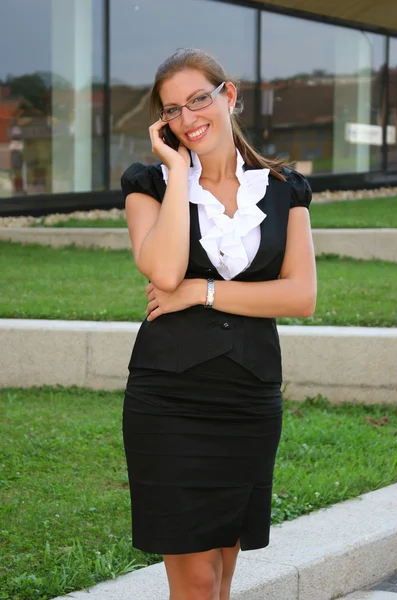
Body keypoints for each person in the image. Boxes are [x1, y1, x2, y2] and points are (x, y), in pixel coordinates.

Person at [121, 48, 317, 600]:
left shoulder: (284, 189)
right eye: (172, 110)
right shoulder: (151, 184)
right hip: (169, 400)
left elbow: (301, 295)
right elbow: (162, 270)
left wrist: (202, 293)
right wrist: (181, 169)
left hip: (248, 399)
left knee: (223, 576)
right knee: (198, 580)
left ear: (228, 96)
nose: (188, 118)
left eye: (198, 99)